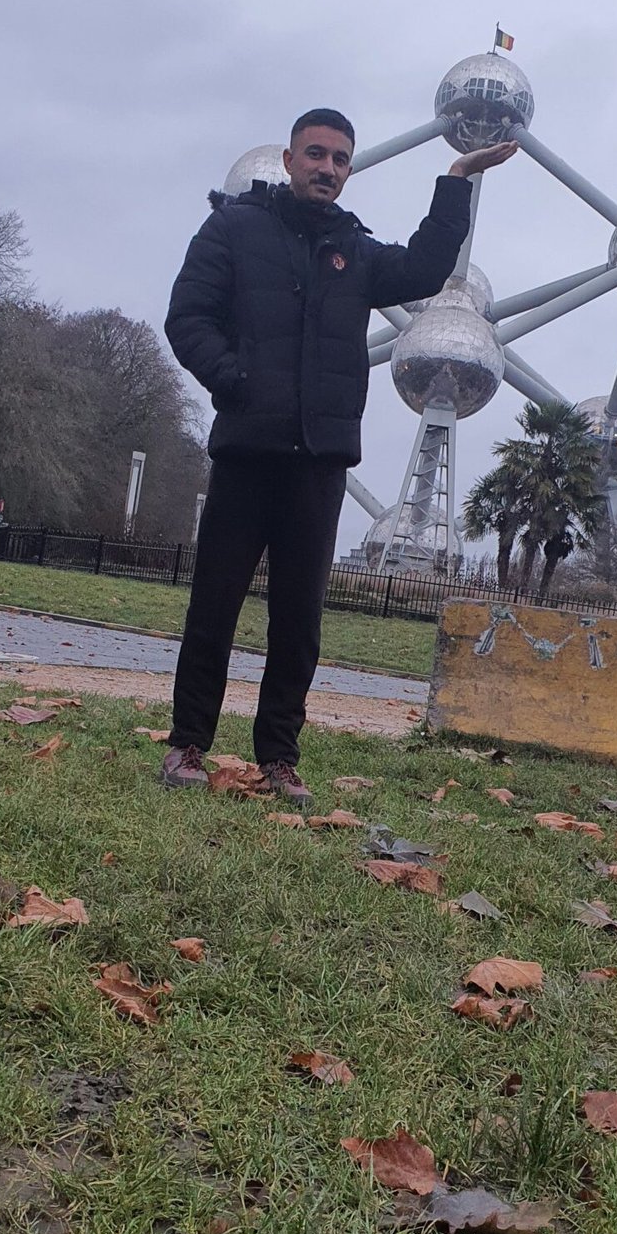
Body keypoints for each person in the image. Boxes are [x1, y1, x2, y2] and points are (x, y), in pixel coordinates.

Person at [161, 108, 516, 801]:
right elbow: (187, 317)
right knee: (214, 609)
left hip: (319, 461)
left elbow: (424, 267)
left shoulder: (354, 251)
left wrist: (456, 180)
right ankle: (187, 746)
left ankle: (279, 757)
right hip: (246, 451)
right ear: (289, 160)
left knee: (299, 621)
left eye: (340, 159)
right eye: (315, 154)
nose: (327, 168)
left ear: (349, 172)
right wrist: (235, 381)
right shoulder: (232, 230)